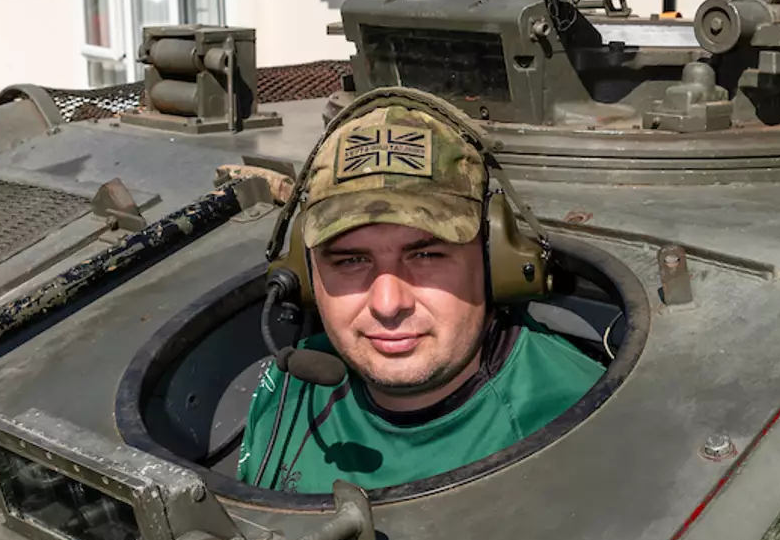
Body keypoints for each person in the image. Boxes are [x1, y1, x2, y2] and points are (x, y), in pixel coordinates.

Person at [238, 96, 604, 492]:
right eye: (349, 261)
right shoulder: (289, 389)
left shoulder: (585, 417)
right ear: (308, 277)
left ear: (493, 262)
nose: (388, 303)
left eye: (427, 255)